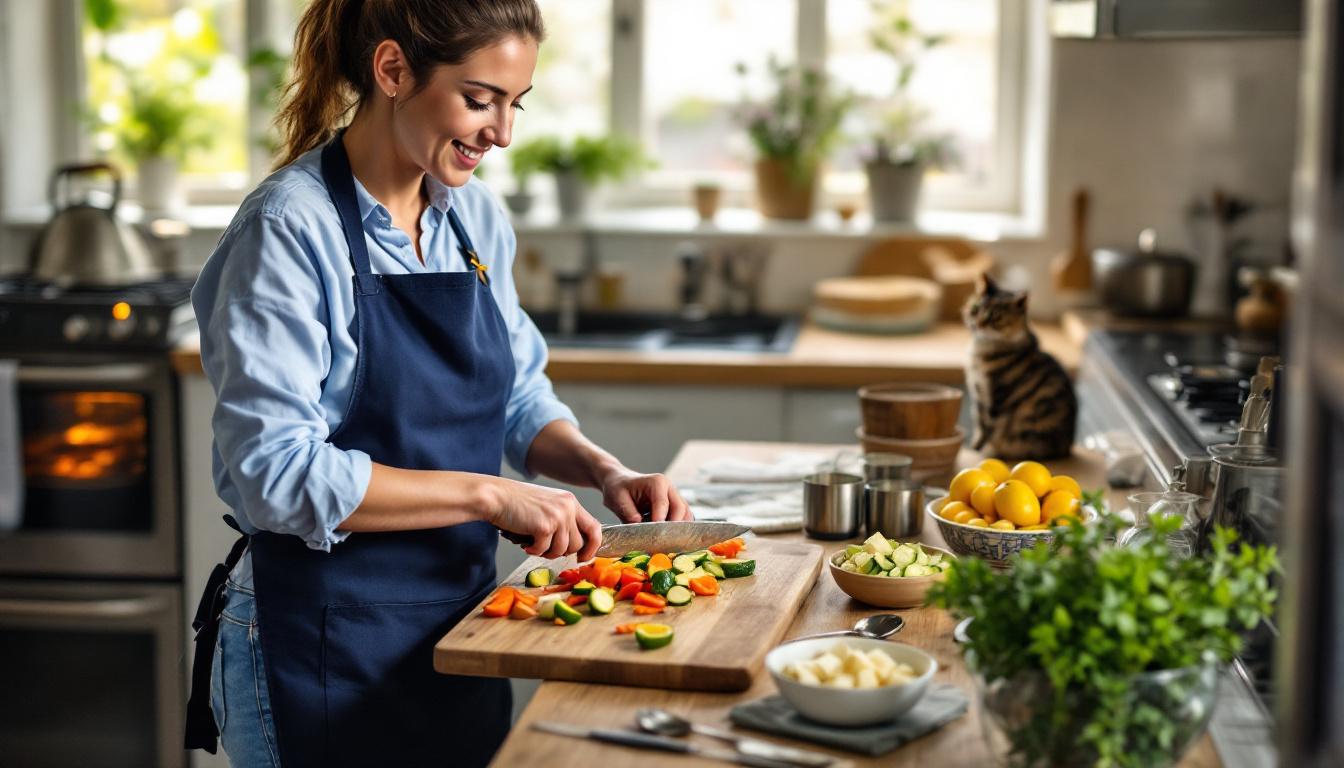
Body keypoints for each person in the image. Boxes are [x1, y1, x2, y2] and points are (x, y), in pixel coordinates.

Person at [182, 2, 689, 766]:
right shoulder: (288, 229)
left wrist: (603, 469)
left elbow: (517, 397)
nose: (502, 132)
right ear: (393, 70)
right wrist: (491, 495)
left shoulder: (474, 220)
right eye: (479, 99)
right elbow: (274, 475)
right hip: (319, 641)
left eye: (515, 104)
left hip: (459, 628)